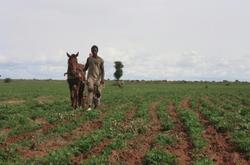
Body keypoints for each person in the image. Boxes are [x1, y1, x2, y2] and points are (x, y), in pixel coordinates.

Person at [83, 45, 105, 111]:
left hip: (98, 78)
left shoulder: (101, 60)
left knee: (97, 92)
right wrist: (81, 70)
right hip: (90, 77)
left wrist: (102, 79)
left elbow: (103, 70)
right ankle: (89, 106)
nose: (94, 51)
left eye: (95, 50)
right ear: (91, 51)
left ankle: (96, 102)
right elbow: (86, 68)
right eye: (93, 50)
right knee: (90, 89)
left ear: (97, 51)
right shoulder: (89, 59)